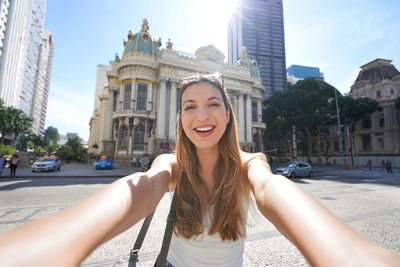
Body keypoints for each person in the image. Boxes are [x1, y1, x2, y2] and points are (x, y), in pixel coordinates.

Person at [0, 74, 399, 267]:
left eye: (213, 104)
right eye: (189, 106)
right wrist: (57, 242)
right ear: (180, 119)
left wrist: (351, 257)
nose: (201, 115)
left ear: (228, 115)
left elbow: (277, 192)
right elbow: (141, 188)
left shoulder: (250, 166)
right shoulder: (170, 164)